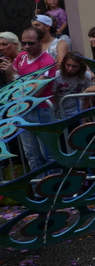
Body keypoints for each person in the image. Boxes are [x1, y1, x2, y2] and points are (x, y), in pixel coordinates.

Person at [3, 27, 56, 172]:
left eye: (31, 43)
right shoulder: (21, 57)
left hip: (41, 111)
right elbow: (11, 83)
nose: (26, 47)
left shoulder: (47, 61)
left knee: (47, 154)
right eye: (24, 43)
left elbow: (36, 92)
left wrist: (14, 75)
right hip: (22, 109)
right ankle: (39, 183)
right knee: (31, 154)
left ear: (41, 41)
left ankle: (54, 183)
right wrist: (9, 72)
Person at [53, 52, 93, 119]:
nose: (70, 69)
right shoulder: (57, 75)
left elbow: (89, 94)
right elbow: (53, 95)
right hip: (61, 111)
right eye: (68, 65)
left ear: (80, 66)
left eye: (74, 66)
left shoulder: (85, 76)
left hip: (77, 110)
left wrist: (84, 111)